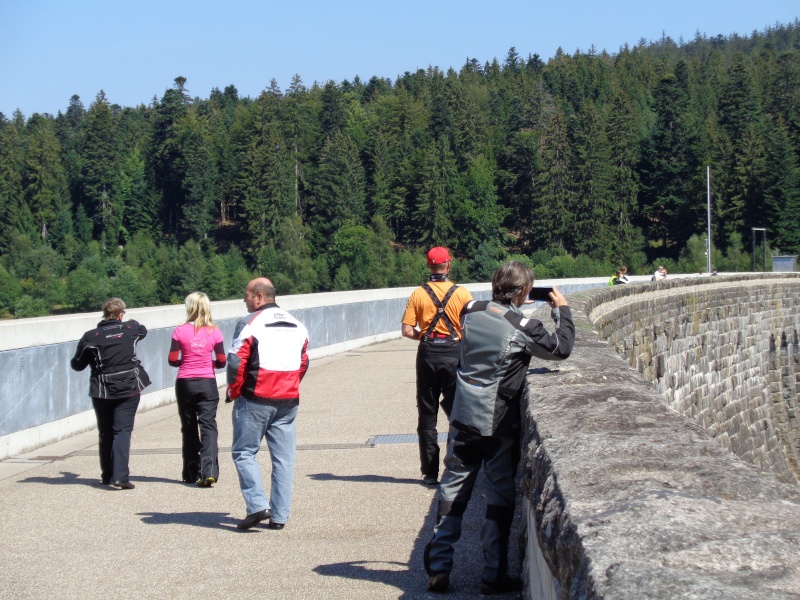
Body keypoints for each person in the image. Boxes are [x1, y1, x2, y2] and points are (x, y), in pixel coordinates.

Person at [424, 261, 575, 594]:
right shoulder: (520, 325)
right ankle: (492, 576)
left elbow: (484, 323)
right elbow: (560, 349)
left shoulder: (470, 310)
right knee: (498, 498)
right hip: (496, 424)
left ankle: (438, 566)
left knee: (452, 491)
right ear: (523, 291)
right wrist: (561, 311)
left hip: (462, 417)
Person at [227, 278, 309, 531]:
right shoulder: (297, 324)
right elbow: (303, 362)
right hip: (287, 400)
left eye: (247, 295)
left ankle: (257, 505)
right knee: (284, 459)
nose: (244, 300)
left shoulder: (249, 323)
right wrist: (291, 386)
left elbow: (235, 362)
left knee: (244, 453)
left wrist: (235, 391)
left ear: (259, 297)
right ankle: (279, 516)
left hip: (255, 398)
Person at [401, 247, 473, 485]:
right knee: (456, 414)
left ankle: (430, 473)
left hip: (428, 355)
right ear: (448, 265)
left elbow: (407, 330)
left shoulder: (418, 294)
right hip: (453, 354)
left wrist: (426, 335)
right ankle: (454, 468)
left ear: (428, 266)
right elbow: (470, 327)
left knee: (427, 415)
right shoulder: (462, 294)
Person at [70, 298, 151, 489]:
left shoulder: (91, 337)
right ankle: (120, 477)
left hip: (102, 390)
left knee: (106, 432)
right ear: (121, 314)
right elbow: (143, 330)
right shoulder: (131, 330)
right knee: (122, 431)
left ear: (104, 314)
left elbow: (77, 364)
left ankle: (107, 475)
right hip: (129, 387)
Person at [168, 292, 226, 487]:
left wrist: (186, 360)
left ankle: (191, 472)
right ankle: (208, 470)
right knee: (208, 425)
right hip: (207, 382)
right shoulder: (215, 332)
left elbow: (172, 359)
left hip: (185, 382)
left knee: (189, 426)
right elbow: (222, 360)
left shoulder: (179, 331)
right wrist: (208, 363)